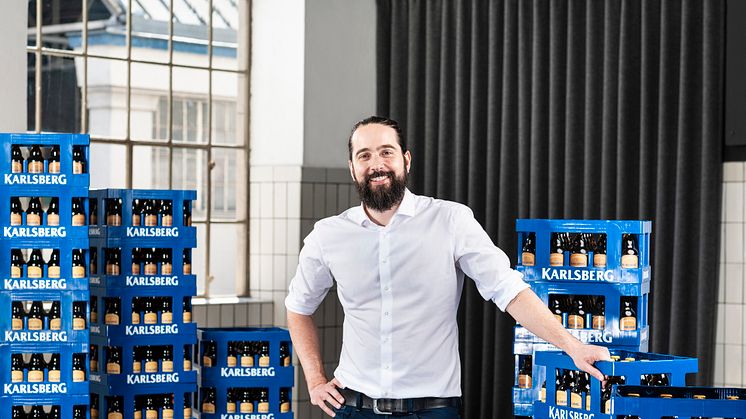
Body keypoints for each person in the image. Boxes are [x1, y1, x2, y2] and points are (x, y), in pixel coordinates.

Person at [285, 116, 611, 418]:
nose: (376, 164)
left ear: (406, 160)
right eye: (364, 155)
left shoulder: (450, 220)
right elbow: (298, 307)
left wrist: (572, 346)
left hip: (432, 410)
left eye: (386, 152)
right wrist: (314, 379)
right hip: (355, 406)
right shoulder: (328, 235)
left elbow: (509, 290)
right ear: (353, 168)